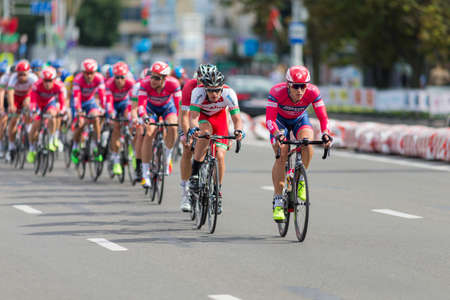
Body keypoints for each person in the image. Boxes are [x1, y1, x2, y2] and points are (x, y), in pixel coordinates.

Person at [265, 65, 332, 222]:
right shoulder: (276, 92)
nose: (300, 90)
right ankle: (278, 200)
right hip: (279, 123)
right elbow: (269, 119)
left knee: (308, 144)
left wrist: (326, 134)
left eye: (303, 86)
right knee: (282, 151)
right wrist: (277, 134)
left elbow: (323, 117)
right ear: (288, 84)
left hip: (299, 120)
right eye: (296, 86)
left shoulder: (313, 92)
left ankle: (300, 179)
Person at [187, 67, 244, 214]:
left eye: (217, 90)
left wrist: (238, 131)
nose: (214, 94)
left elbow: (237, 118)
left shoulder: (229, 93)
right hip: (204, 117)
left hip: (220, 119)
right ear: (205, 89)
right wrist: (194, 129)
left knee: (219, 155)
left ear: (222, 88)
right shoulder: (197, 92)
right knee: (205, 134)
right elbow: (193, 117)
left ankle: (217, 192)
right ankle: (194, 174)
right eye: (211, 90)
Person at [178, 64, 218, 212]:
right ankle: (185, 193)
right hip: (191, 118)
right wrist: (187, 134)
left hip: (209, 117)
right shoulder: (190, 87)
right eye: (202, 79)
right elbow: (184, 115)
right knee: (187, 149)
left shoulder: (217, 88)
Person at [137, 61, 181, 187]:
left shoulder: (173, 83)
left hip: (168, 108)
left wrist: (179, 119)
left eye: (156, 78)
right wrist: (144, 117)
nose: (152, 80)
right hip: (151, 109)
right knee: (149, 133)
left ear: (164, 79)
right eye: (151, 76)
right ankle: (145, 175)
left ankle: (167, 158)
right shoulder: (145, 84)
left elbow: (179, 106)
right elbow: (141, 105)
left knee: (173, 126)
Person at [27, 67, 66, 162]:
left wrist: (61, 111)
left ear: (54, 79)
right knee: (35, 127)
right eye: (45, 81)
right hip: (38, 105)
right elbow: (32, 101)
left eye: (50, 81)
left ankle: (51, 139)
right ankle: (31, 149)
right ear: (42, 80)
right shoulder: (36, 85)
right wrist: (33, 111)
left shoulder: (59, 86)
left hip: (49, 103)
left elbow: (62, 102)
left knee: (53, 115)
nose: (47, 83)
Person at [71, 58, 106, 164]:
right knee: (81, 124)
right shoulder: (78, 79)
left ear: (95, 72)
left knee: (96, 118)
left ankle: (96, 145)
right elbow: (76, 97)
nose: (89, 76)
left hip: (90, 102)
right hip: (79, 102)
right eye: (87, 73)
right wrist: (78, 110)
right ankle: (75, 147)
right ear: (83, 72)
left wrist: (103, 108)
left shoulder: (99, 78)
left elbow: (102, 95)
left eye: (91, 73)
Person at [105, 61, 135, 175]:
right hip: (113, 105)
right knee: (116, 127)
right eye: (116, 77)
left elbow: (133, 102)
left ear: (125, 77)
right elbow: (108, 101)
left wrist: (131, 116)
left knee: (130, 117)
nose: (119, 80)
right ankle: (116, 159)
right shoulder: (109, 83)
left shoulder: (131, 83)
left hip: (124, 103)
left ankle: (131, 146)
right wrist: (111, 113)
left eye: (122, 77)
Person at [6, 60, 38, 161]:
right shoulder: (13, 78)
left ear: (29, 73)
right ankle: (11, 146)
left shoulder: (33, 78)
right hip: (15, 97)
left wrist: (35, 107)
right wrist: (11, 106)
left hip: (26, 96)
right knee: (13, 121)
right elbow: (10, 93)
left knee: (28, 106)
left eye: (24, 75)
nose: (21, 77)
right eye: (19, 75)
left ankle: (28, 126)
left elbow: (37, 93)